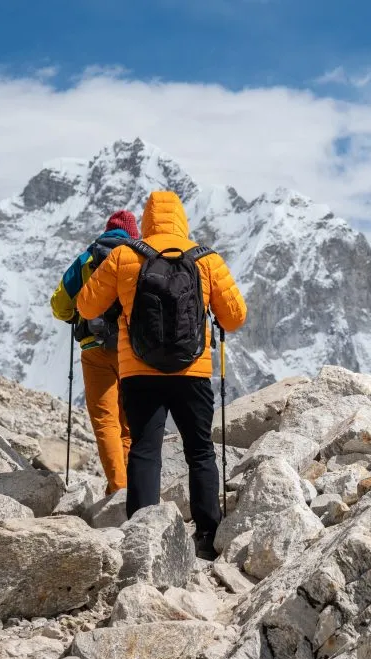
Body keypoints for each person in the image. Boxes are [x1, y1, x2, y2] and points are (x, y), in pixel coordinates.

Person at [77, 190, 246, 559]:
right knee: (200, 451)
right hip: (193, 372)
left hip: (139, 372)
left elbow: (86, 304)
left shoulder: (125, 255)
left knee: (144, 450)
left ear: (148, 220)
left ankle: (141, 538)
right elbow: (235, 317)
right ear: (182, 220)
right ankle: (207, 536)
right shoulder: (205, 259)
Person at [50, 211, 139, 495]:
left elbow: (60, 304)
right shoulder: (139, 257)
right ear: (133, 234)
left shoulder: (87, 258)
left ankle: (117, 486)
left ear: (107, 231)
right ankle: (133, 488)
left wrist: (76, 315)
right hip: (131, 349)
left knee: (105, 421)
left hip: (94, 348)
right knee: (130, 422)